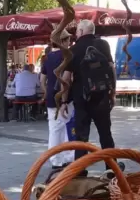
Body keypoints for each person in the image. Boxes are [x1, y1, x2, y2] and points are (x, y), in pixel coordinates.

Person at [59, 19, 117, 162]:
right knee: (105, 134)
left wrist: (64, 101)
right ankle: (112, 169)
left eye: (77, 31)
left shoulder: (72, 50)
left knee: (81, 137)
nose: (76, 34)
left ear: (81, 31)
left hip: (81, 98)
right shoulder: (103, 45)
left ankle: (80, 171)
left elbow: (66, 79)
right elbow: (111, 69)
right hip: (102, 97)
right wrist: (113, 92)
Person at [40, 30, 74, 168]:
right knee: (68, 127)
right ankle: (68, 157)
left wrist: (46, 91)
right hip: (65, 97)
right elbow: (66, 80)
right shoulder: (68, 56)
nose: (70, 42)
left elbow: (42, 79)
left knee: (54, 129)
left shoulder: (47, 58)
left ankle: (55, 159)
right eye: (68, 40)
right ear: (64, 41)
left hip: (51, 98)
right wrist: (65, 100)